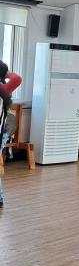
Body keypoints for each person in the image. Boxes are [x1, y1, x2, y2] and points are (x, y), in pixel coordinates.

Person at [0, 60, 23, 208]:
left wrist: (5, 72)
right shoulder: (5, 89)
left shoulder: (2, 89)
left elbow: (17, 79)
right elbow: (17, 78)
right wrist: (6, 73)